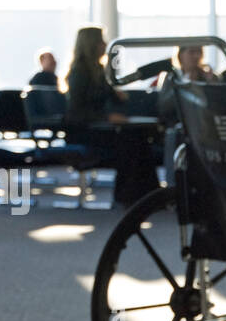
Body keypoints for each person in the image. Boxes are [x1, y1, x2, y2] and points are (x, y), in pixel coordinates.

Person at [65, 25, 160, 208]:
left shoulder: (99, 71)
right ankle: (127, 196)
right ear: (92, 44)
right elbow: (75, 113)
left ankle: (147, 197)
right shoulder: (79, 73)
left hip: (100, 127)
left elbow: (108, 99)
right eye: (101, 41)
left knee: (139, 138)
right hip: (84, 130)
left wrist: (116, 95)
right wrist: (106, 118)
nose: (105, 44)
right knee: (130, 142)